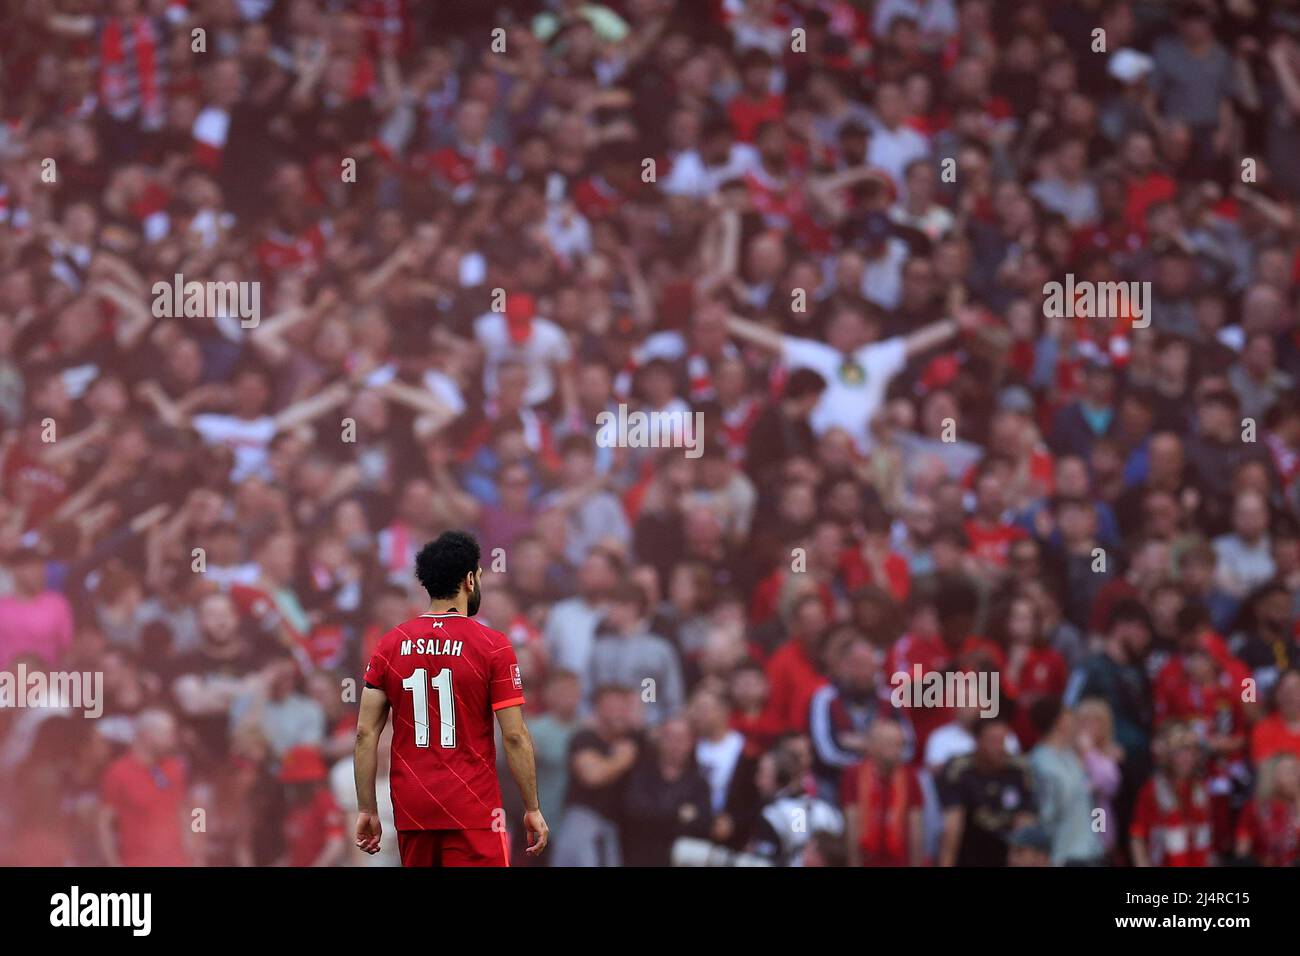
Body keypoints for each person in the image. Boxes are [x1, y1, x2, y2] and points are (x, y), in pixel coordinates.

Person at [353, 530, 548, 867]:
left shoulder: (389, 644)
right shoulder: (493, 645)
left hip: (413, 805)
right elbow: (514, 736)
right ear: (470, 580)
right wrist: (531, 807)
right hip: (472, 805)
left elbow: (365, 734)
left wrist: (367, 807)